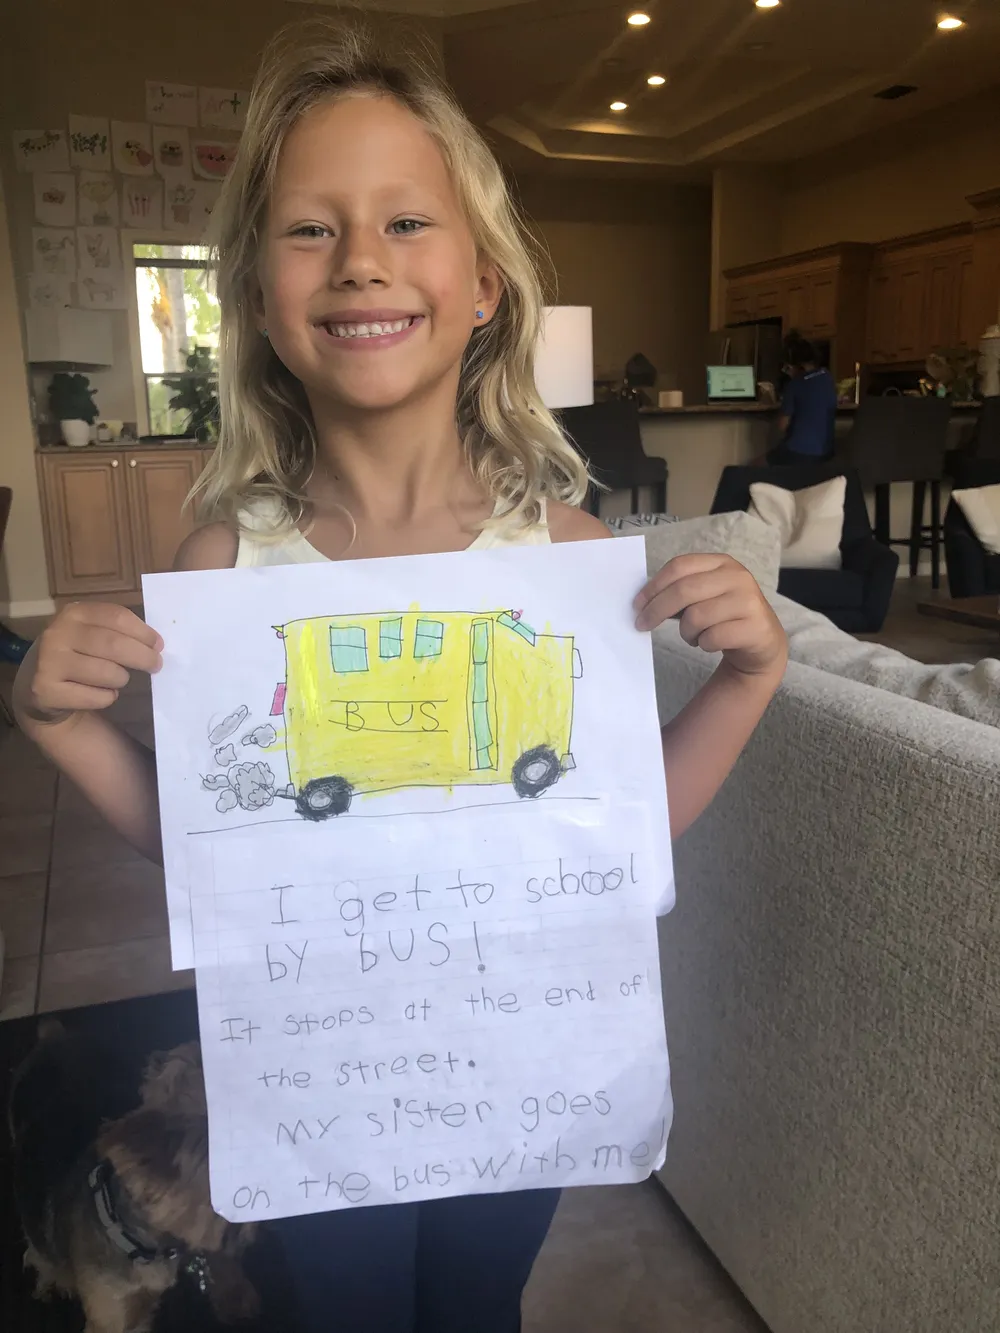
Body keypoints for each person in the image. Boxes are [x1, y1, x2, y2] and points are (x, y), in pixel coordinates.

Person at [12, 20, 787, 1333]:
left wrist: (745, 686)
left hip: (516, 1068)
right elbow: (217, 854)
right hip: (319, 1078)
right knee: (338, 1307)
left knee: (483, 1298)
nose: (362, 259)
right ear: (258, 297)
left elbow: (616, 835)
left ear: (485, 281)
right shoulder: (226, 566)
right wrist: (61, 726)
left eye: (407, 222)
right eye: (312, 229)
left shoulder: (566, 555)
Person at [768, 334, 838, 465]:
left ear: (797, 366)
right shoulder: (828, 377)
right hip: (826, 453)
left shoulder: (795, 385)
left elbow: (782, 426)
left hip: (797, 453)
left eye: (788, 368)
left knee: (755, 465)